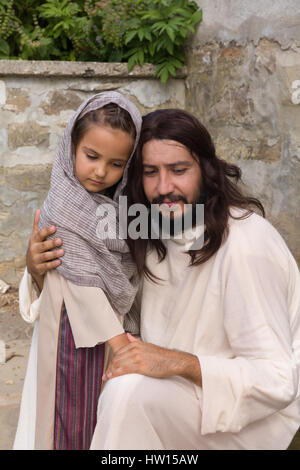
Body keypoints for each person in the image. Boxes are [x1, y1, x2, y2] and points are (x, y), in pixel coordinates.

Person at [19, 109, 300, 450]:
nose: (165, 187)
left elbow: (279, 381)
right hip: (166, 392)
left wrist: (176, 362)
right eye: (151, 172)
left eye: (179, 170)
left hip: (244, 416)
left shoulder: (246, 243)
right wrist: (39, 269)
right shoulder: (149, 228)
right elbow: (92, 288)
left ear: (206, 170)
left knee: (126, 394)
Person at [13, 91, 142, 450]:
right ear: (71, 148)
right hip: (69, 336)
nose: (101, 171)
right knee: (64, 426)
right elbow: (79, 281)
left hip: (108, 334)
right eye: (91, 156)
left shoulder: (122, 212)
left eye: (116, 164)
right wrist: (121, 343)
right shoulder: (63, 205)